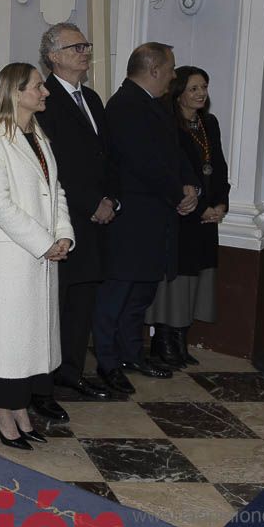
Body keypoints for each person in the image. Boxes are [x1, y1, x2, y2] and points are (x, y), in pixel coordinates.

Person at [0, 62, 74, 451]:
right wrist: (43, 240)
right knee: (8, 342)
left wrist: (63, 234)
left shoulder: (38, 136)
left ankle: (21, 411)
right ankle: (2, 414)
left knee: (30, 340)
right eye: (38, 86)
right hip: (13, 256)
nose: (45, 92)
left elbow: (56, 192)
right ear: (15, 92)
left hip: (40, 253)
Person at [94, 43, 199, 395]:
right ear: (153, 69)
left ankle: (131, 353)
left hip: (156, 218)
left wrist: (190, 186)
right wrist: (176, 193)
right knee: (117, 295)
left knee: (140, 294)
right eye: (170, 68)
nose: (173, 75)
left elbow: (176, 153)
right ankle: (107, 362)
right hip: (131, 220)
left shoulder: (156, 105)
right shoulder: (124, 105)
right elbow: (142, 162)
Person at [33, 24, 113, 404]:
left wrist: (111, 198)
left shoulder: (93, 99)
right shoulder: (43, 101)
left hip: (97, 220)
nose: (84, 51)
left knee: (82, 302)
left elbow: (105, 157)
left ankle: (71, 373)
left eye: (86, 44)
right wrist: (89, 203)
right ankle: (43, 382)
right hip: (64, 220)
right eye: (75, 46)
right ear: (53, 56)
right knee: (56, 304)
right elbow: (53, 164)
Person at [145, 66, 230, 367]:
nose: (201, 93)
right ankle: (163, 340)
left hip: (207, 217)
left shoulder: (210, 124)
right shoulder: (169, 125)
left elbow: (218, 167)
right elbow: (175, 171)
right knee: (176, 281)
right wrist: (201, 204)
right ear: (178, 92)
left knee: (197, 280)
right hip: (183, 214)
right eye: (194, 88)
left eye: (204, 87)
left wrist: (220, 203)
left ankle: (181, 340)